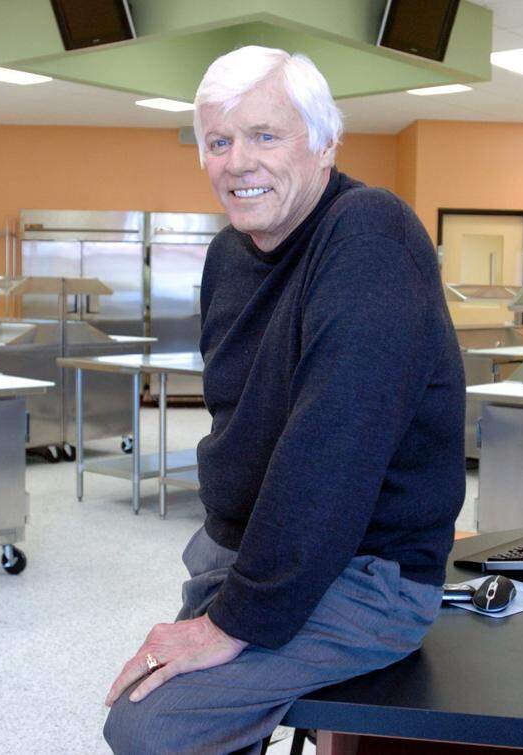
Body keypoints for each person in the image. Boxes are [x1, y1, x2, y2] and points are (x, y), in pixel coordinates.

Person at [104, 45, 465, 754]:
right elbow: (236, 421)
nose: (238, 162)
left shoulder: (370, 234)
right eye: (219, 141)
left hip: (368, 573)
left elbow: (331, 453)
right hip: (246, 551)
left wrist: (230, 623)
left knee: (151, 724)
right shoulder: (225, 256)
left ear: (325, 141)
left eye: (266, 136)